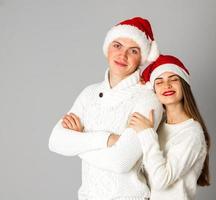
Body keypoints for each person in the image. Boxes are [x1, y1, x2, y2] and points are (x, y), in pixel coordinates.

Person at [48, 17, 163, 200]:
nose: (122, 55)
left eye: (133, 50)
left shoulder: (148, 99)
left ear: (142, 58)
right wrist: (108, 139)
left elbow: (121, 161)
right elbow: (55, 141)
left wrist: (79, 141)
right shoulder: (89, 93)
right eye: (117, 45)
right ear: (107, 48)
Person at [128, 55, 211, 200]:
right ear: (153, 90)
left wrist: (146, 133)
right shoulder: (156, 127)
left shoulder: (192, 134)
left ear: (184, 85)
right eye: (159, 82)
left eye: (173, 79)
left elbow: (161, 181)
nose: (166, 86)